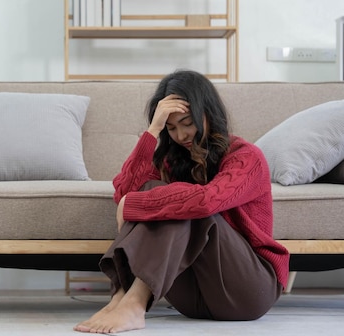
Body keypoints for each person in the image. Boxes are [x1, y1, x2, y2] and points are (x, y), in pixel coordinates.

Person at [74, 70, 290, 334]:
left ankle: (134, 302)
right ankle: (122, 296)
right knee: (157, 189)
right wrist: (153, 130)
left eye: (187, 122)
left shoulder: (246, 156)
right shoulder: (171, 159)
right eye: (171, 127)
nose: (180, 135)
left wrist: (136, 204)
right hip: (193, 297)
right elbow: (125, 192)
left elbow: (207, 201)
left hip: (247, 290)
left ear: (207, 112)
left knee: (188, 203)